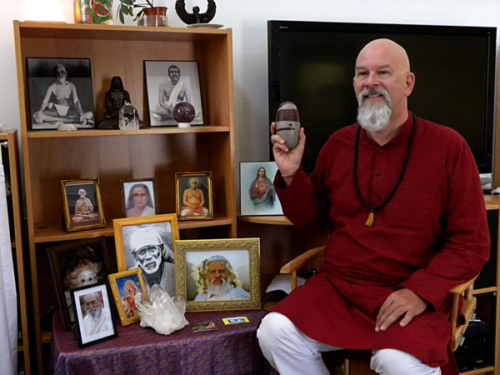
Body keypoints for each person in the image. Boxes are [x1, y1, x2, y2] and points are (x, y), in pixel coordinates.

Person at [257, 38, 490, 375]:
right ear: (353, 84)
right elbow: (310, 217)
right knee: (274, 331)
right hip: (339, 289)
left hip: (409, 291)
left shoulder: (449, 146)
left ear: (408, 83)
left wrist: (420, 293)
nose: (370, 82)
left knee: (394, 361)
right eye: (361, 74)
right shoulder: (338, 144)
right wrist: (292, 173)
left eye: (383, 72)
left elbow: (472, 244)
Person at [129, 226, 176, 297]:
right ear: (135, 257)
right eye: (142, 252)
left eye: (152, 250)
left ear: (161, 249)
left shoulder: (176, 270)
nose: (148, 257)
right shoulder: (131, 277)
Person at [63, 249, 103, 323]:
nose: (88, 284)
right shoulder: (71, 304)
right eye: (83, 281)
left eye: (90, 279)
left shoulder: (102, 298)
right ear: (74, 284)